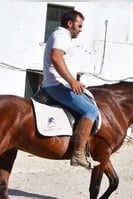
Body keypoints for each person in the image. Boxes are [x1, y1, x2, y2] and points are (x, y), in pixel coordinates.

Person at [42, 10, 98, 168]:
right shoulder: (62, 36)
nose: (81, 29)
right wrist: (72, 81)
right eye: (79, 26)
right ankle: (78, 154)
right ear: (70, 24)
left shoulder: (60, 36)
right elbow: (56, 57)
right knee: (91, 111)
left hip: (56, 83)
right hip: (58, 85)